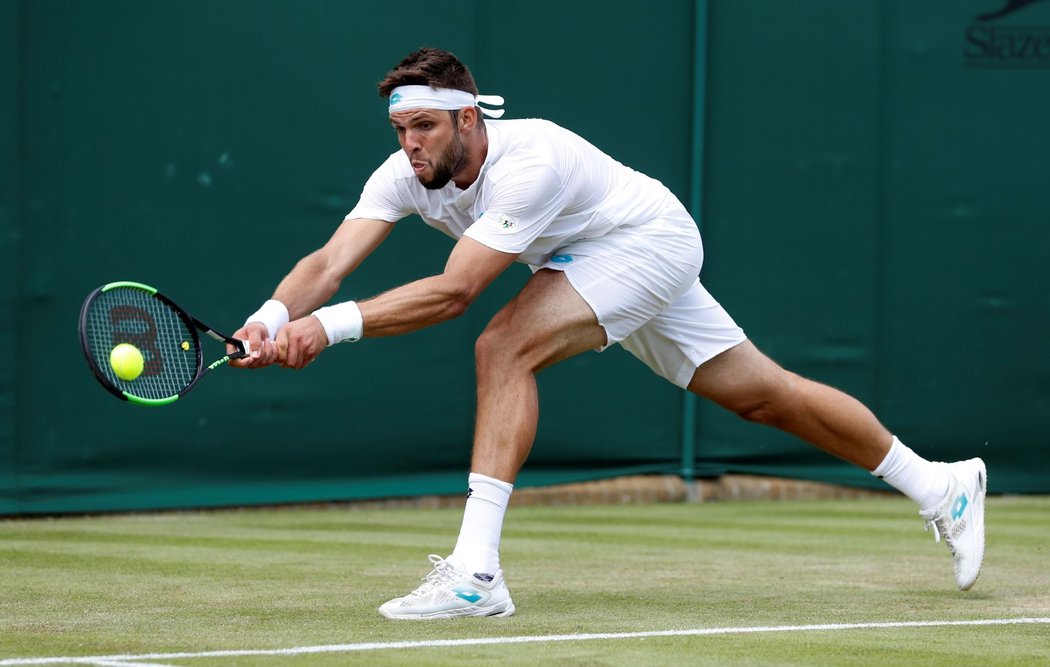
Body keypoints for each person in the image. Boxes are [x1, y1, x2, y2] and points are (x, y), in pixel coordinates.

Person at [231, 47, 987, 620]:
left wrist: (327, 328)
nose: (411, 146)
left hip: (645, 240)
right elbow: (328, 261)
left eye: (424, 125)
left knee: (502, 345)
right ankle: (941, 485)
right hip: (589, 257)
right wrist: (270, 318)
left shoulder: (531, 160)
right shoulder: (404, 175)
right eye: (400, 129)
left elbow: (457, 289)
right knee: (764, 396)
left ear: (468, 117)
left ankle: (476, 575)